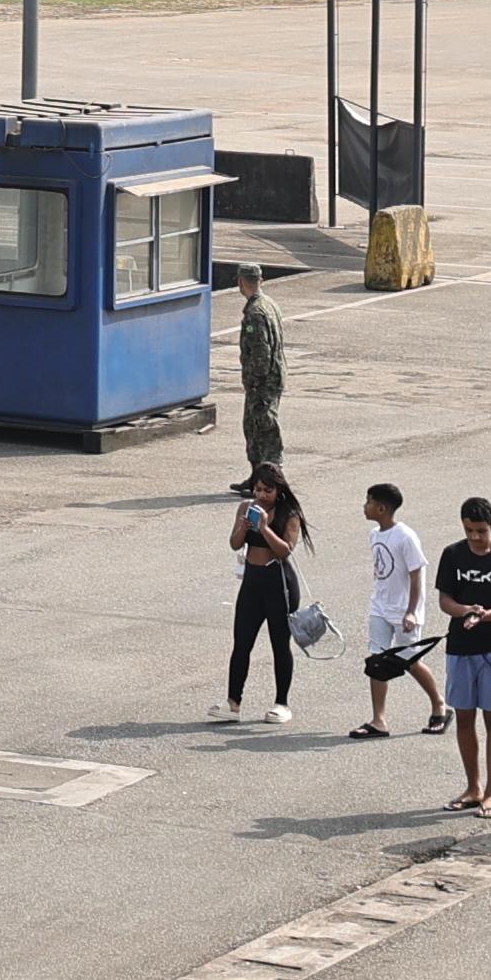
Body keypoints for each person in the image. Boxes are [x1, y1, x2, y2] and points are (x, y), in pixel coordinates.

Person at [434, 494, 491, 814]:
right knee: (464, 719)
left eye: (481, 531)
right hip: (460, 647)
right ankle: (472, 787)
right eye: (469, 530)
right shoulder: (452, 555)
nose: (475, 537)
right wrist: (465, 611)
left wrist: (485, 614)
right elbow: (445, 600)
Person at [356, 480, 447, 741]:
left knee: (409, 660)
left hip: (404, 610)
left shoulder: (405, 536)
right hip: (380, 607)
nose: (365, 506)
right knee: (376, 661)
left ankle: (439, 703)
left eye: (369, 501)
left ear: (382, 508)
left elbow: (416, 575)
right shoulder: (375, 535)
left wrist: (411, 611)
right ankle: (379, 720)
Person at [218, 461, 308, 726]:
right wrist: (245, 527)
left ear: (278, 490)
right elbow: (235, 543)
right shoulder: (246, 508)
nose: (261, 495)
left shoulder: (288, 513)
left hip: (279, 583)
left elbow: (284, 551)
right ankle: (233, 702)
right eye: (257, 489)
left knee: (280, 645)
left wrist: (265, 527)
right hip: (252, 583)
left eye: (267, 490)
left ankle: (282, 702)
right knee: (241, 643)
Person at [236, 268, 288, 485]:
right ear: (260, 280)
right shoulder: (269, 304)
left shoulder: (255, 313)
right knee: (253, 426)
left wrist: (256, 382)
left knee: (263, 428)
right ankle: (257, 478)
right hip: (273, 375)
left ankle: (271, 480)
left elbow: (261, 351)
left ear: (240, 282)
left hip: (263, 380)